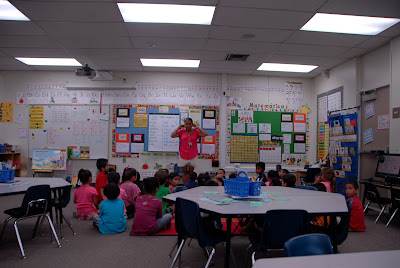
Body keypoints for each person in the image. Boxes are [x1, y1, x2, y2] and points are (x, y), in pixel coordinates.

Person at [171, 118, 208, 185]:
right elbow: (172, 135)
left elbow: (205, 134)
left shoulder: (196, 131)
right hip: (183, 153)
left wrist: (197, 127)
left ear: (192, 124)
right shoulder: (181, 131)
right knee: (184, 172)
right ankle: (185, 186)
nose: (188, 125)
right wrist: (178, 127)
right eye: (186, 124)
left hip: (193, 154)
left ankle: (190, 185)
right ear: (184, 124)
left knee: (191, 172)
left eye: (189, 124)